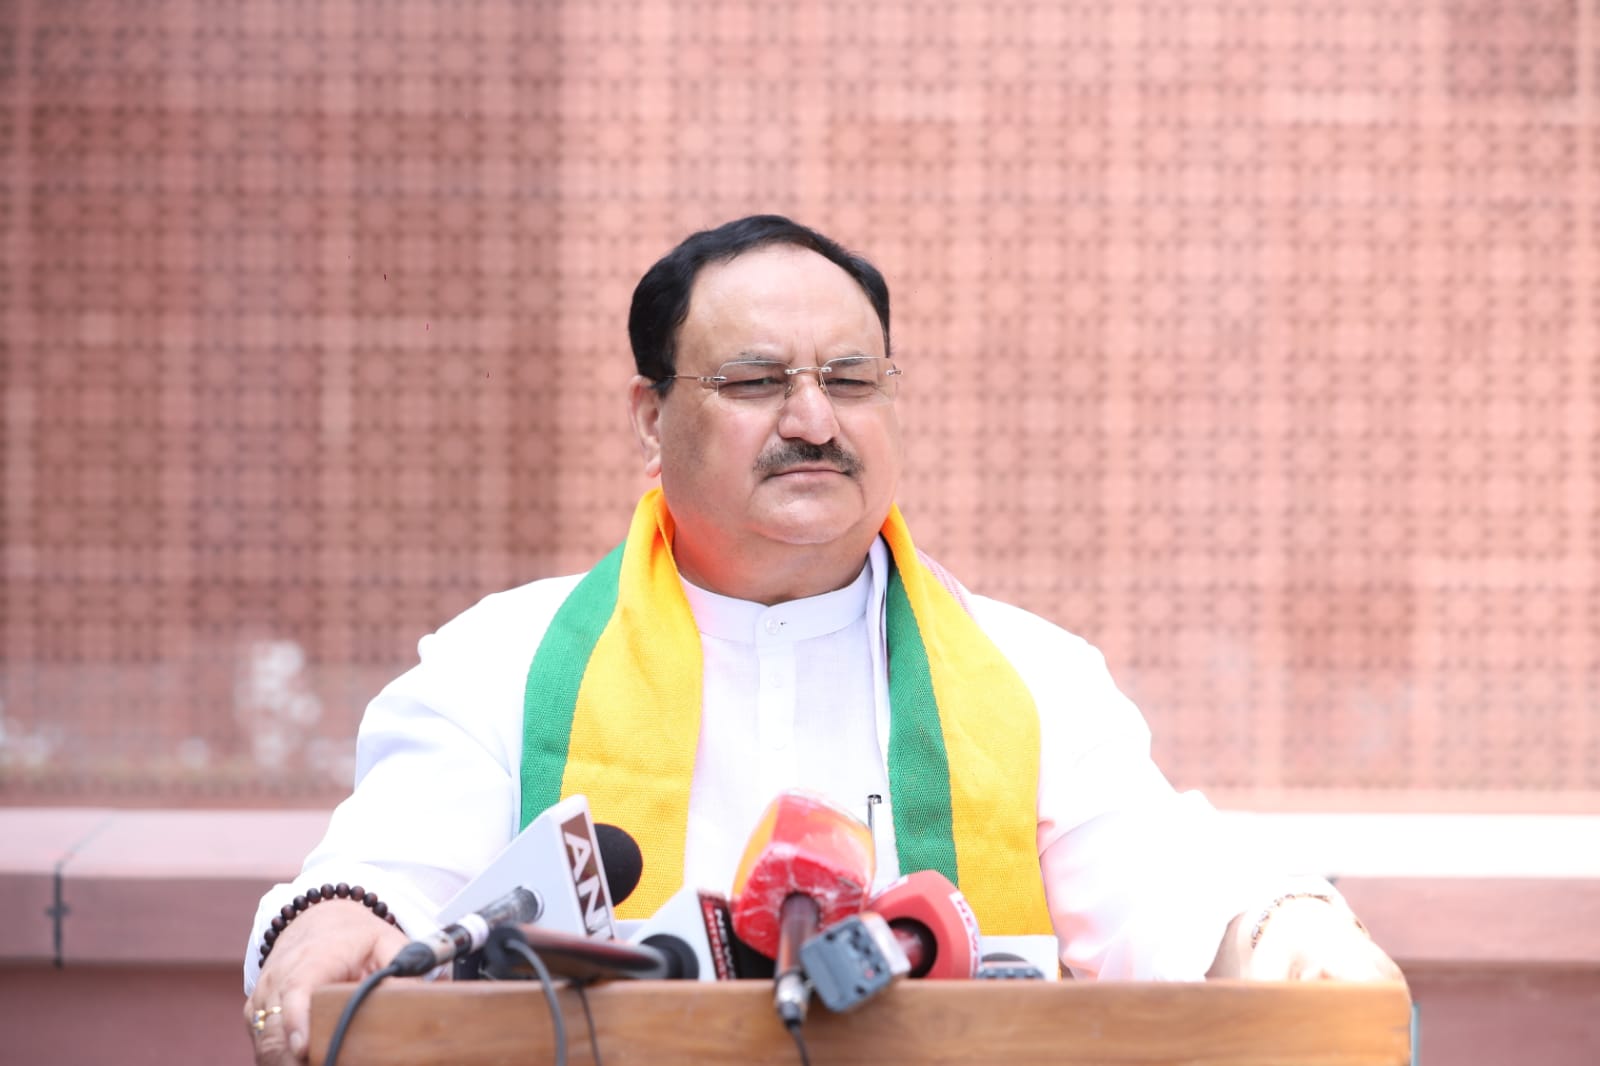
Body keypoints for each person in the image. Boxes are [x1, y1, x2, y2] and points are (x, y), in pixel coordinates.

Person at [242, 215, 1401, 1063]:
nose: (812, 419)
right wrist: (332, 927)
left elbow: (1162, 884)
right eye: (755, 380)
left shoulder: (1029, 676)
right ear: (652, 419)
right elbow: (387, 873)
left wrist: (1285, 928)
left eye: (849, 379)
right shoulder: (506, 662)